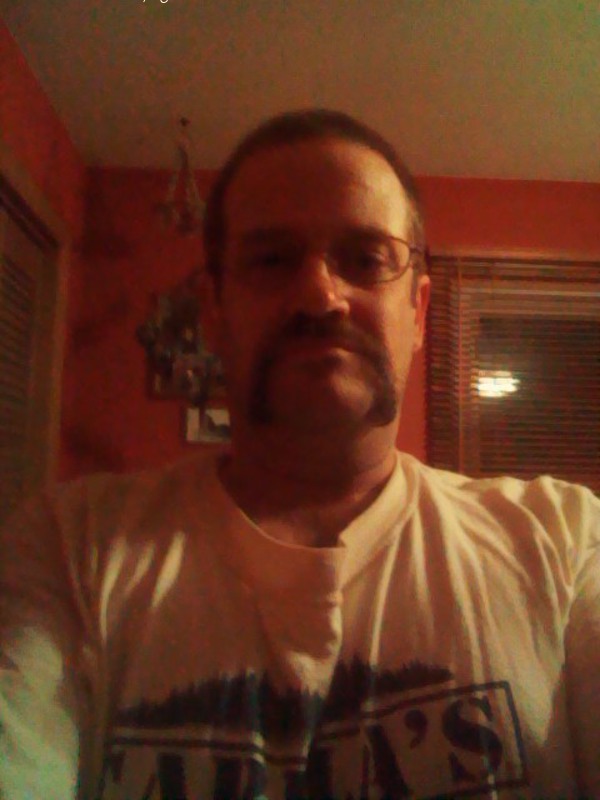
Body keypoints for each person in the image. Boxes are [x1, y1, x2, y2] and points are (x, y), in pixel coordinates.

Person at [1, 109, 598, 800]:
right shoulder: (67, 547)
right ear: (213, 310)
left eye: (366, 259)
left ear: (418, 311)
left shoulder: (564, 542)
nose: (320, 295)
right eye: (272, 259)